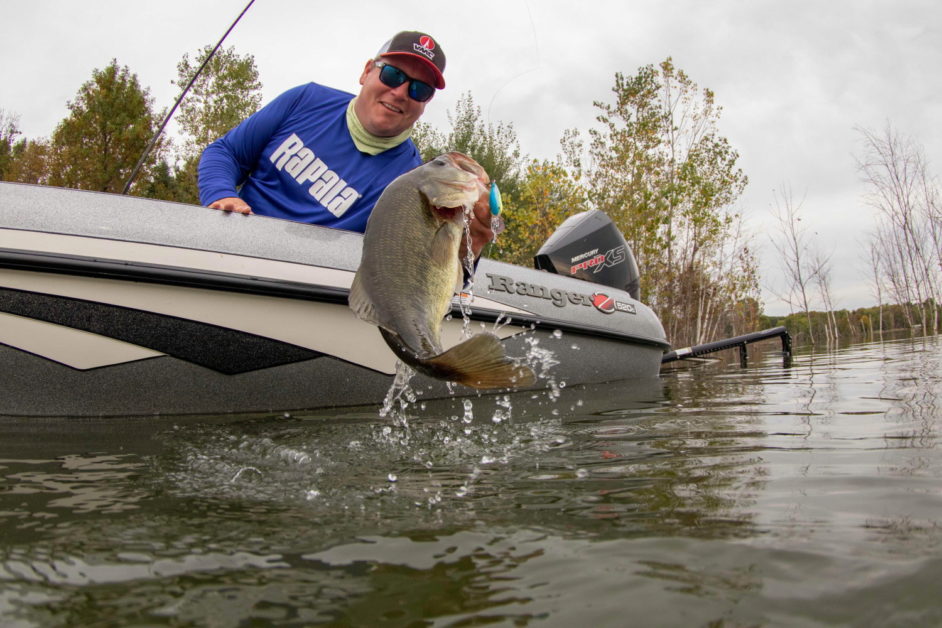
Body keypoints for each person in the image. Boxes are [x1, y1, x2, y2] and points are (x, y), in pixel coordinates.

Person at [197, 30, 494, 259]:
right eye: (392, 75)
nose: (401, 92)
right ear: (366, 71)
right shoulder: (305, 100)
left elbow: (411, 272)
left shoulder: (412, 184)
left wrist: (467, 246)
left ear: (425, 103)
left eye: (419, 89)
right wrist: (223, 195)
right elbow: (226, 153)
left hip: (306, 288)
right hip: (229, 251)